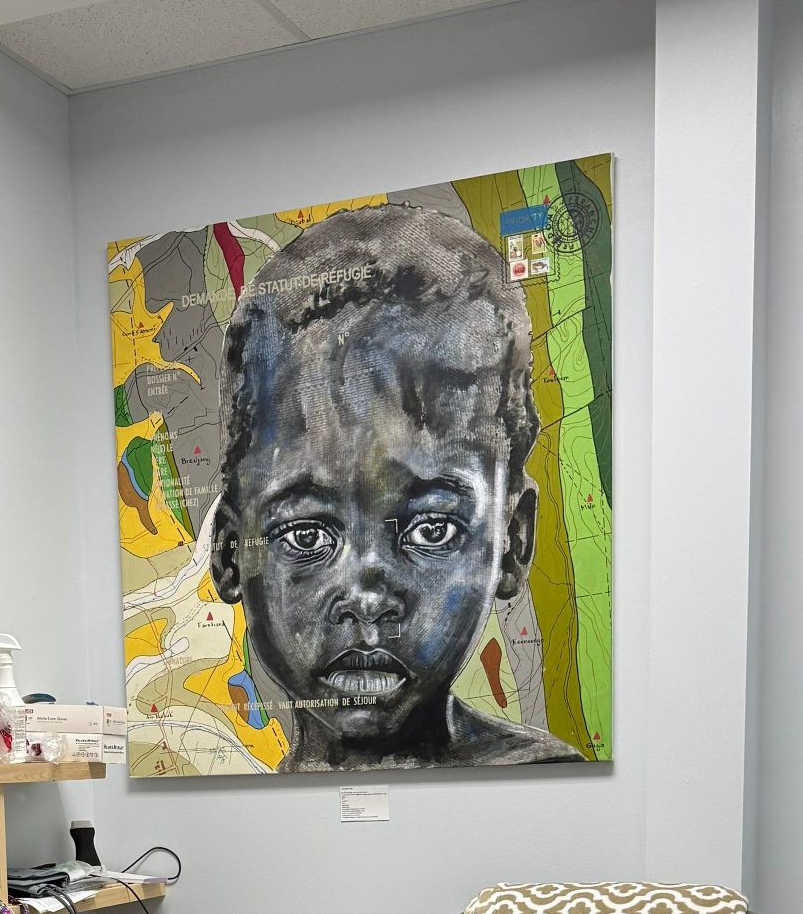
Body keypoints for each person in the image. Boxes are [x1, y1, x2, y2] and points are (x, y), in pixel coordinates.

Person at [210, 201, 584, 770]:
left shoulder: (549, 784)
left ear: (513, 541)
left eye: (433, 529)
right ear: (229, 554)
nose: (367, 599)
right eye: (307, 536)